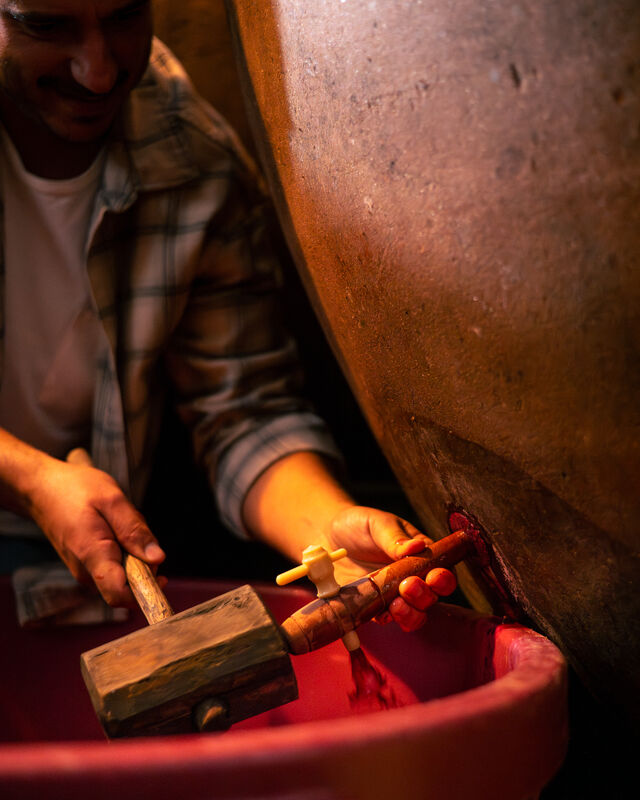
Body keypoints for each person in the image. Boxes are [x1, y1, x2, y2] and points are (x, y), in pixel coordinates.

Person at [0, 0, 455, 631]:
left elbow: (243, 414)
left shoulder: (194, 157)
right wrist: (26, 480)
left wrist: (328, 533)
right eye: (46, 25)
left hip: (86, 573)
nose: (98, 73)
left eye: (124, 17)